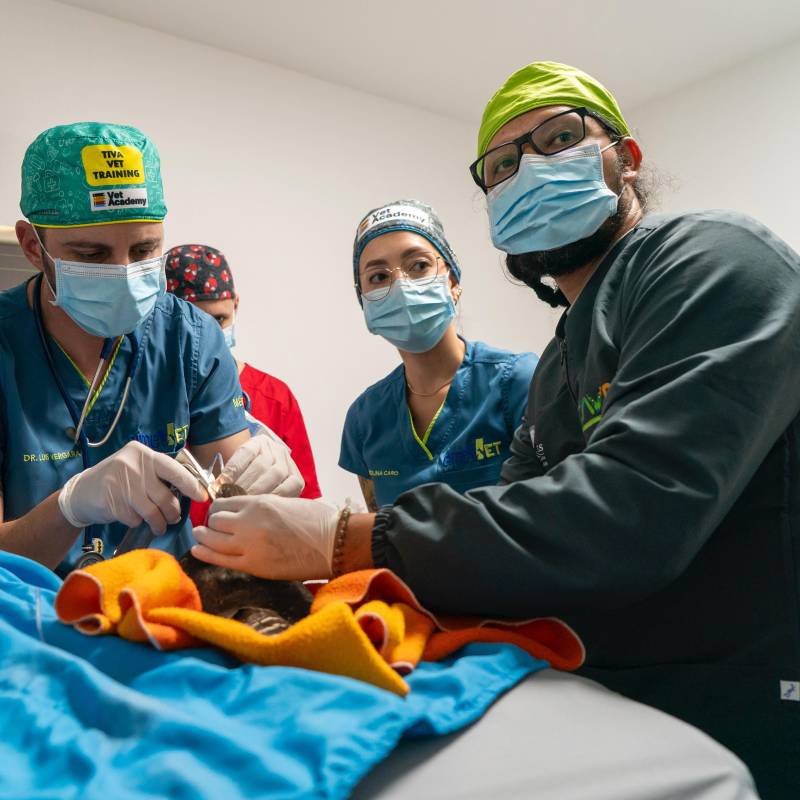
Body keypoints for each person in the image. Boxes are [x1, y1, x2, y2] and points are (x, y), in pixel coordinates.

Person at [191, 63, 800, 797]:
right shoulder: (558, 368)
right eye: (504, 166)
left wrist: (342, 539)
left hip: (742, 694)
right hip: (597, 684)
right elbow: (515, 549)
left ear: (627, 159)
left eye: (561, 138)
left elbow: (628, 515)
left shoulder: (713, 261)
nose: (532, 170)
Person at [0, 122, 301, 577]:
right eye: (92, 254)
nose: (124, 273)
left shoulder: (191, 339)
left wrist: (261, 479)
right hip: (26, 612)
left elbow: (232, 489)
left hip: (161, 606)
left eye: (144, 250)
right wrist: (70, 507)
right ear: (33, 246)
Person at [341, 200, 537, 509]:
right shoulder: (365, 419)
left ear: (453, 282)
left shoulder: (517, 383)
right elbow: (378, 533)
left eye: (418, 266)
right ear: (365, 302)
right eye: (378, 277)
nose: (401, 285)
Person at [165, 243, 321, 501]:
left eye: (218, 320)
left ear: (235, 305)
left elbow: (306, 503)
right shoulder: (148, 398)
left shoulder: (275, 397)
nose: (208, 336)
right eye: (194, 323)